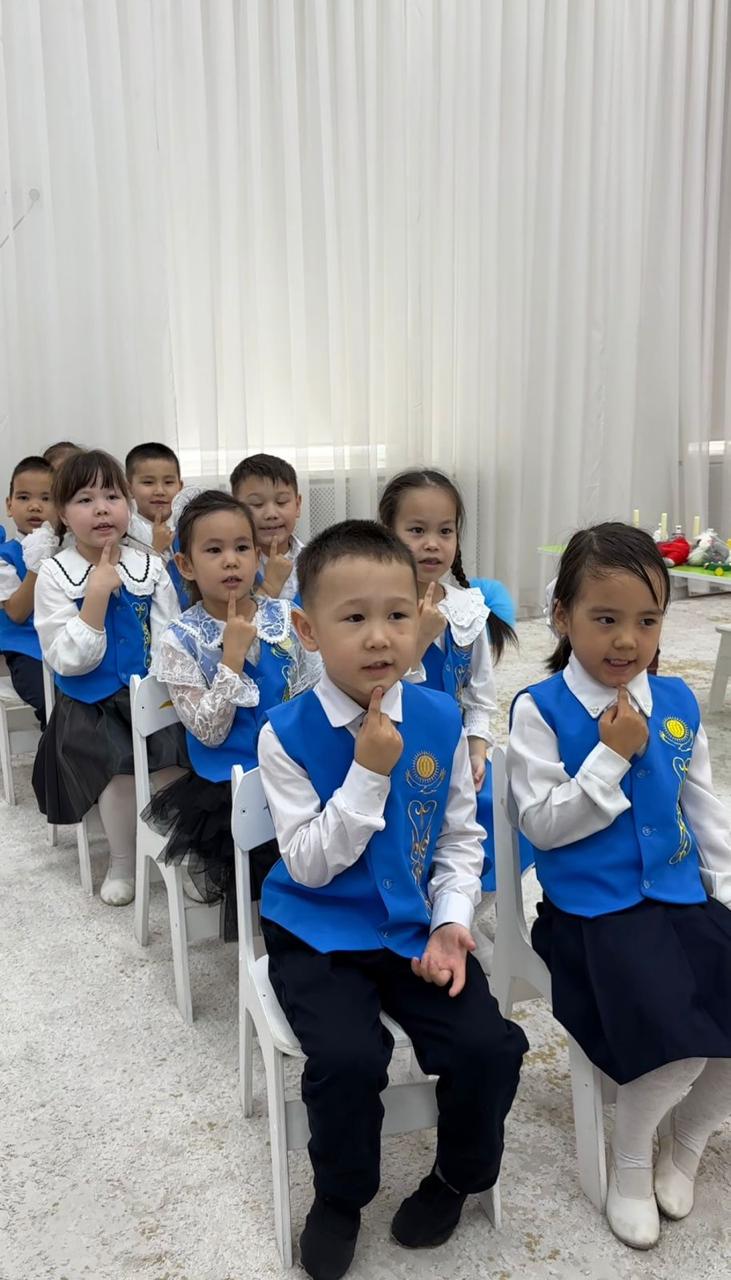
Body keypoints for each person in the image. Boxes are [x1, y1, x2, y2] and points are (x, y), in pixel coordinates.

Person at [257, 519, 528, 1280]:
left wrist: (450, 922)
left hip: (412, 927)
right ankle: (340, 1197)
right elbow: (308, 865)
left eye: (398, 615)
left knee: (489, 1046)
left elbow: (459, 841)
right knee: (346, 1059)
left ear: (422, 616)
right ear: (308, 630)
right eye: (353, 617)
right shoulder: (284, 733)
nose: (379, 637)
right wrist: (369, 772)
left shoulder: (441, 718)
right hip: (316, 930)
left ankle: (456, 1178)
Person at [507, 521, 731, 1249]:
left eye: (647, 620)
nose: (627, 641)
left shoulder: (676, 700)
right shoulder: (539, 709)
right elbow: (542, 827)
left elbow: (702, 805)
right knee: (678, 1042)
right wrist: (608, 758)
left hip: (680, 896)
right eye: (605, 619)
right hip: (591, 913)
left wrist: (725, 886)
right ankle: (630, 1161)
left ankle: (687, 1140)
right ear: (562, 615)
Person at [144, 490, 320, 934]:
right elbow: (209, 731)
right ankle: (279, 938)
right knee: (272, 872)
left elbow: (314, 692)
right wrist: (231, 659)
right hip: (230, 783)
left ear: (258, 555)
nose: (230, 561)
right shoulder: (179, 638)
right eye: (213, 550)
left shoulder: (286, 616)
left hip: (298, 767)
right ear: (185, 565)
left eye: (242, 547)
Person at [379, 467, 526, 966]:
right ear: (388, 532)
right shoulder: (376, 610)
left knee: (509, 810)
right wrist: (417, 637)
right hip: (391, 750)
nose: (432, 544)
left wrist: (477, 747)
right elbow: (375, 690)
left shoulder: (468, 610)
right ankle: (415, 912)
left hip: (456, 751)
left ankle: (457, 910)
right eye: (416, 530)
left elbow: (479, 695)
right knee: (413, 822)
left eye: (445, 531)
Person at [32, 449, 186, 905]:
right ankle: (122, 860)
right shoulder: (56, 574)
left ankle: (182, 851)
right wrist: (96, 597)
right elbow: (66, 659)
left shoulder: (149, 566)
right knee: (118, 773)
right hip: (89, 705)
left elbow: (169, 637)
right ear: (63, 515)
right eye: (85, 499)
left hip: (148, 695)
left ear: (128, 505)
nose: (101, 509)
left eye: (112, 497)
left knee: (176, 766)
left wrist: (161, 690)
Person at [0, 456, 57, 724]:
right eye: (24, 498)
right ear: (9, 505)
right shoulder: (6, 556)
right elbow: (17, 612)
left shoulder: (67, 550)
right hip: (27, 653)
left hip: (64, 645)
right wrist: (37, 565)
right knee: (53, 705)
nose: (35, 506)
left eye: (46, 498)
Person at [230, 453, 304, 601]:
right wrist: (270, 586)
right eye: (257, 504)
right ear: (235, 509)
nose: (271, 514)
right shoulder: (231, 565)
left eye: (281, 502)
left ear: (297, 505)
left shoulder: (316, 561)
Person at [124, 442, 189, 606]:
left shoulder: (189, 524)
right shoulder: (125, 531)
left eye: (168, 482)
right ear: (129, 488)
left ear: (180, 486)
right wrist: (156, 550)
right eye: (148, 482)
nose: (160, 491)